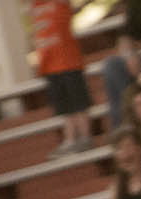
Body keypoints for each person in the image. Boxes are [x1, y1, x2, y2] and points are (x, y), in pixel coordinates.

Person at [30, 0, 96, 156]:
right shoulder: (35, 7)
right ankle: (70, 138)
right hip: (50, 64)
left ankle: (85, 136)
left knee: (78, 101)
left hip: (69, 61)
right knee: (63, 105)